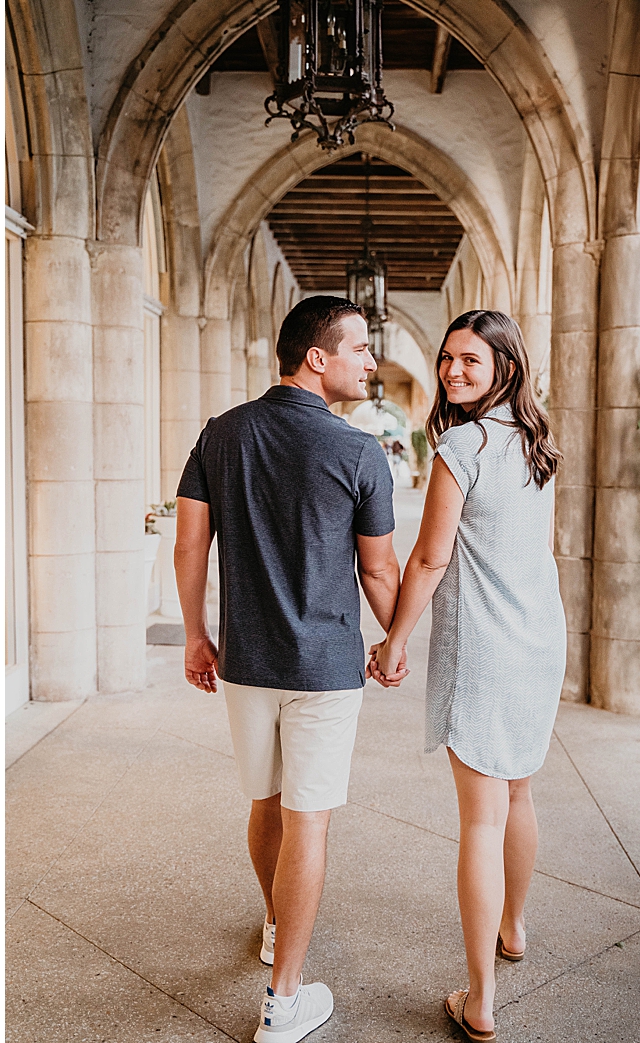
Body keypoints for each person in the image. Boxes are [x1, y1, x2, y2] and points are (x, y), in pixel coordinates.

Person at [175, 295, 400, 1043]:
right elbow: (378, 570)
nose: (371, 362)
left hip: (245, 660)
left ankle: (276, 927)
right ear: (317, 357)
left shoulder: (220, 434)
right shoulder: (358, 452)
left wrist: (195, 636)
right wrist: (396, 634)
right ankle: (283, 998)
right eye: (361, 348)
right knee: (309, 818)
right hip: (327, 665)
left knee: (265, 802)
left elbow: (189, 548)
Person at [371, 310, 564, 1043]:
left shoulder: (462, 444)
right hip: (538, 641)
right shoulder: (540, 445)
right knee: (518, 791)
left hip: (483, 649)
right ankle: (514, 926)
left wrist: (394, 640)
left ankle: (479, 1000)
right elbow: (541, 551)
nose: (453, 371)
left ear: (504, 367)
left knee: (481, 817)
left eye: (470, 361)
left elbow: (427, 558)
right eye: (448, 359)